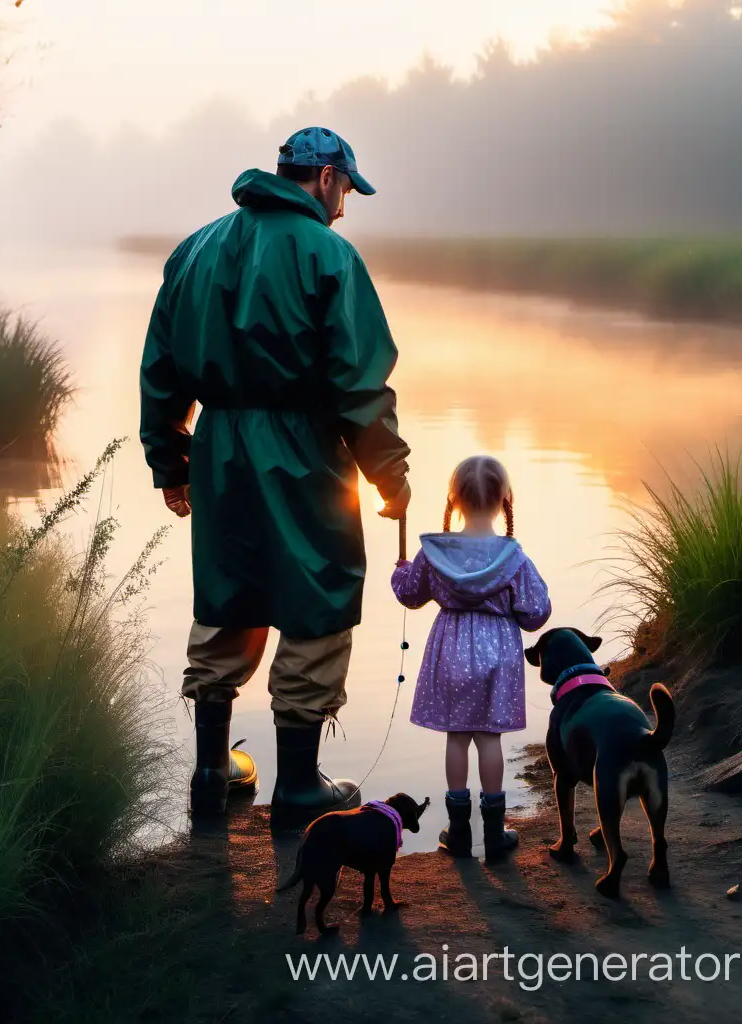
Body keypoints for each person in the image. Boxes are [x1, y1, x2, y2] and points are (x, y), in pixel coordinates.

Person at [140, 127, 411, 821]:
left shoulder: (194, 249)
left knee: (228, 593)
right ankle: (297, 786)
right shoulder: (330, 255)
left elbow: (162, 370)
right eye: (346, 189)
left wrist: (169, 460)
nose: (346, 206)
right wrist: (388, 473)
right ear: (324, 178)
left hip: (220, 446)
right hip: (303, 447)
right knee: (317, 596)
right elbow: (358, 384)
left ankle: (209, 777)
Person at [391, 456, 551, 861]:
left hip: (452, 644)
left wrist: (401, 570)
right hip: (498, 647)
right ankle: (495, 833)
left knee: (457, 737)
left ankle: (459, 831)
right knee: (489, 738)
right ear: (504, 500)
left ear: (454, 499)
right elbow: (536, 614)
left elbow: (411, 595)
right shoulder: (512, 555)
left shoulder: (435, 551)